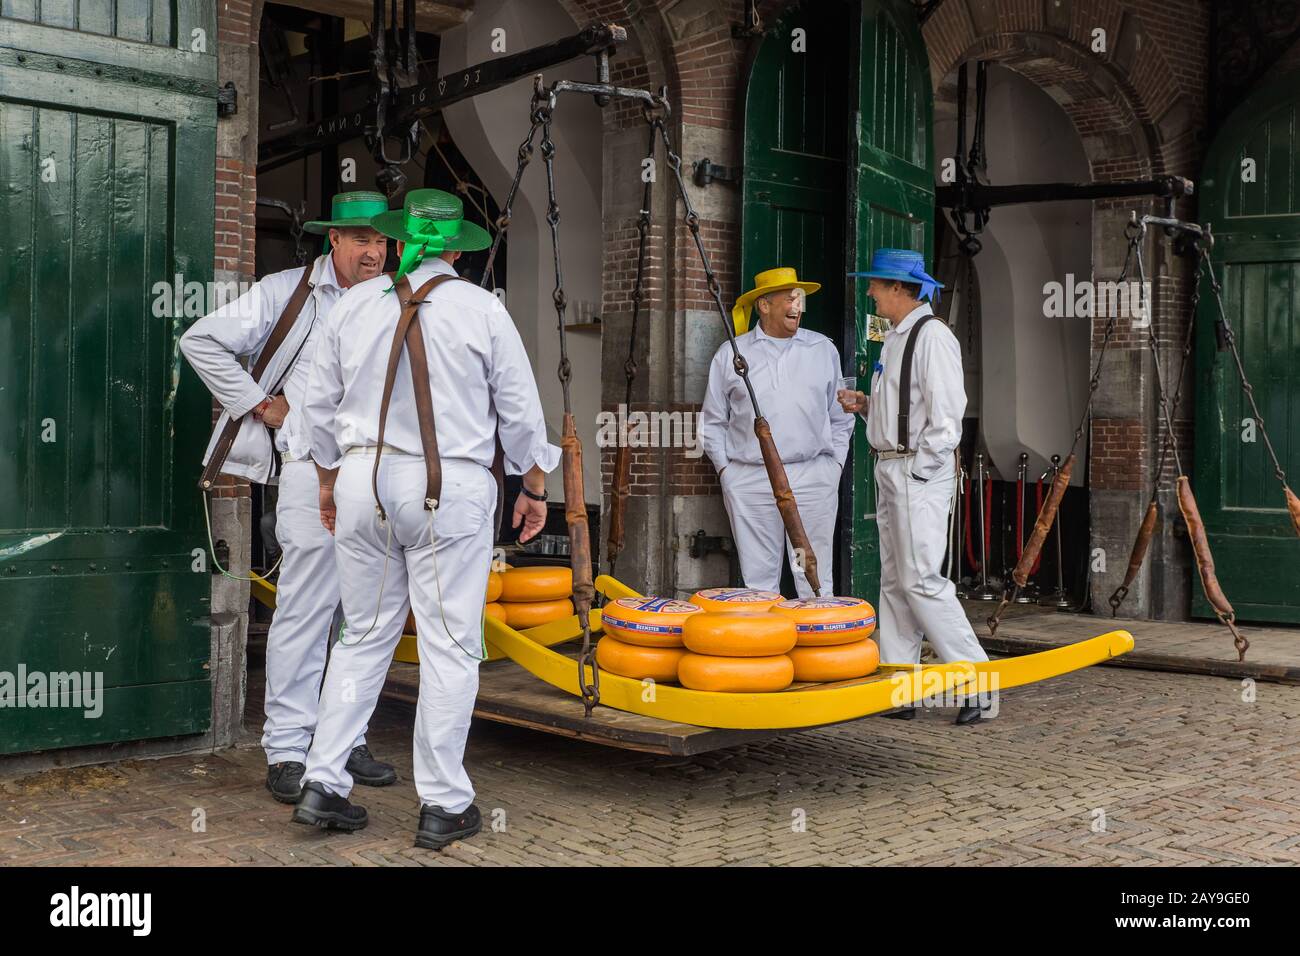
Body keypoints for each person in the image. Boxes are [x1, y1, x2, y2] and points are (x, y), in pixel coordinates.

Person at [294, 188, 559, 849]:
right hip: (451, 490)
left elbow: (312, 414)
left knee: (361, 636)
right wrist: (533, 484)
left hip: (363, 481)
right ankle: (443, 804)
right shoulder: (482, 310)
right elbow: (522, 416)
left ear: (399, 239)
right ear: (457, 249)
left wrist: (329, 480)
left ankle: (323, 783)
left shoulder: (354, 306)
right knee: (449, 644)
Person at [180, 191, 398, 800]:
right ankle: (288, 750)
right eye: (362, 240)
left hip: (374, 473)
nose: (374, 252)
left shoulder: (392, 298)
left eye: (381, 240)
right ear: (334, 240)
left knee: (361, 616)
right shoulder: (288, 291)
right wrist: (261, 406)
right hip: (310, 469)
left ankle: (344, 741)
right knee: (306, 609)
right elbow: (200, 340)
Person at [837, 248, 992, 725]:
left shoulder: (933, 337)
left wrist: (920, 471)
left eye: (876, 285)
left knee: (922, 580)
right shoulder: (896, 339)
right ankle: (903, 686)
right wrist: (867, 406)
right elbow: (908, 408)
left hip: (914, 474)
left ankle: (979, 685)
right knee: (894, 582)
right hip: (892, 468)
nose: (869, 292)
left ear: (901, 289)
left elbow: (947, 422)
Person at [699, 267, 854, 598]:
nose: (796, 305)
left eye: (799, 299)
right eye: (789, 298)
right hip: (752, 480)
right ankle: (765, 648)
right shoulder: (732, 354)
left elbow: (840, 415)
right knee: (760, 579)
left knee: (809, 572)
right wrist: (728, 472)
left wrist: (834, 466)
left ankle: (815, 645)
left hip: (811, 478)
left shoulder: (822, 349)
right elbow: (712, 421)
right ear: (764, 306)